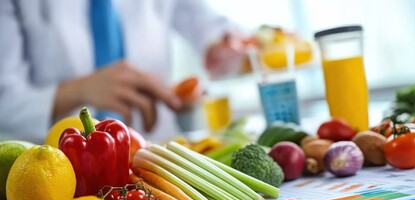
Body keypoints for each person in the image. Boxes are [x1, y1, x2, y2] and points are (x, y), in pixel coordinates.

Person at [0, 0, 247, 143]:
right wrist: (79, 90)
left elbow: (212, 28)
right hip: (56, 170)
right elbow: (5, 101)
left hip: (156, 154)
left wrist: (224, 48)